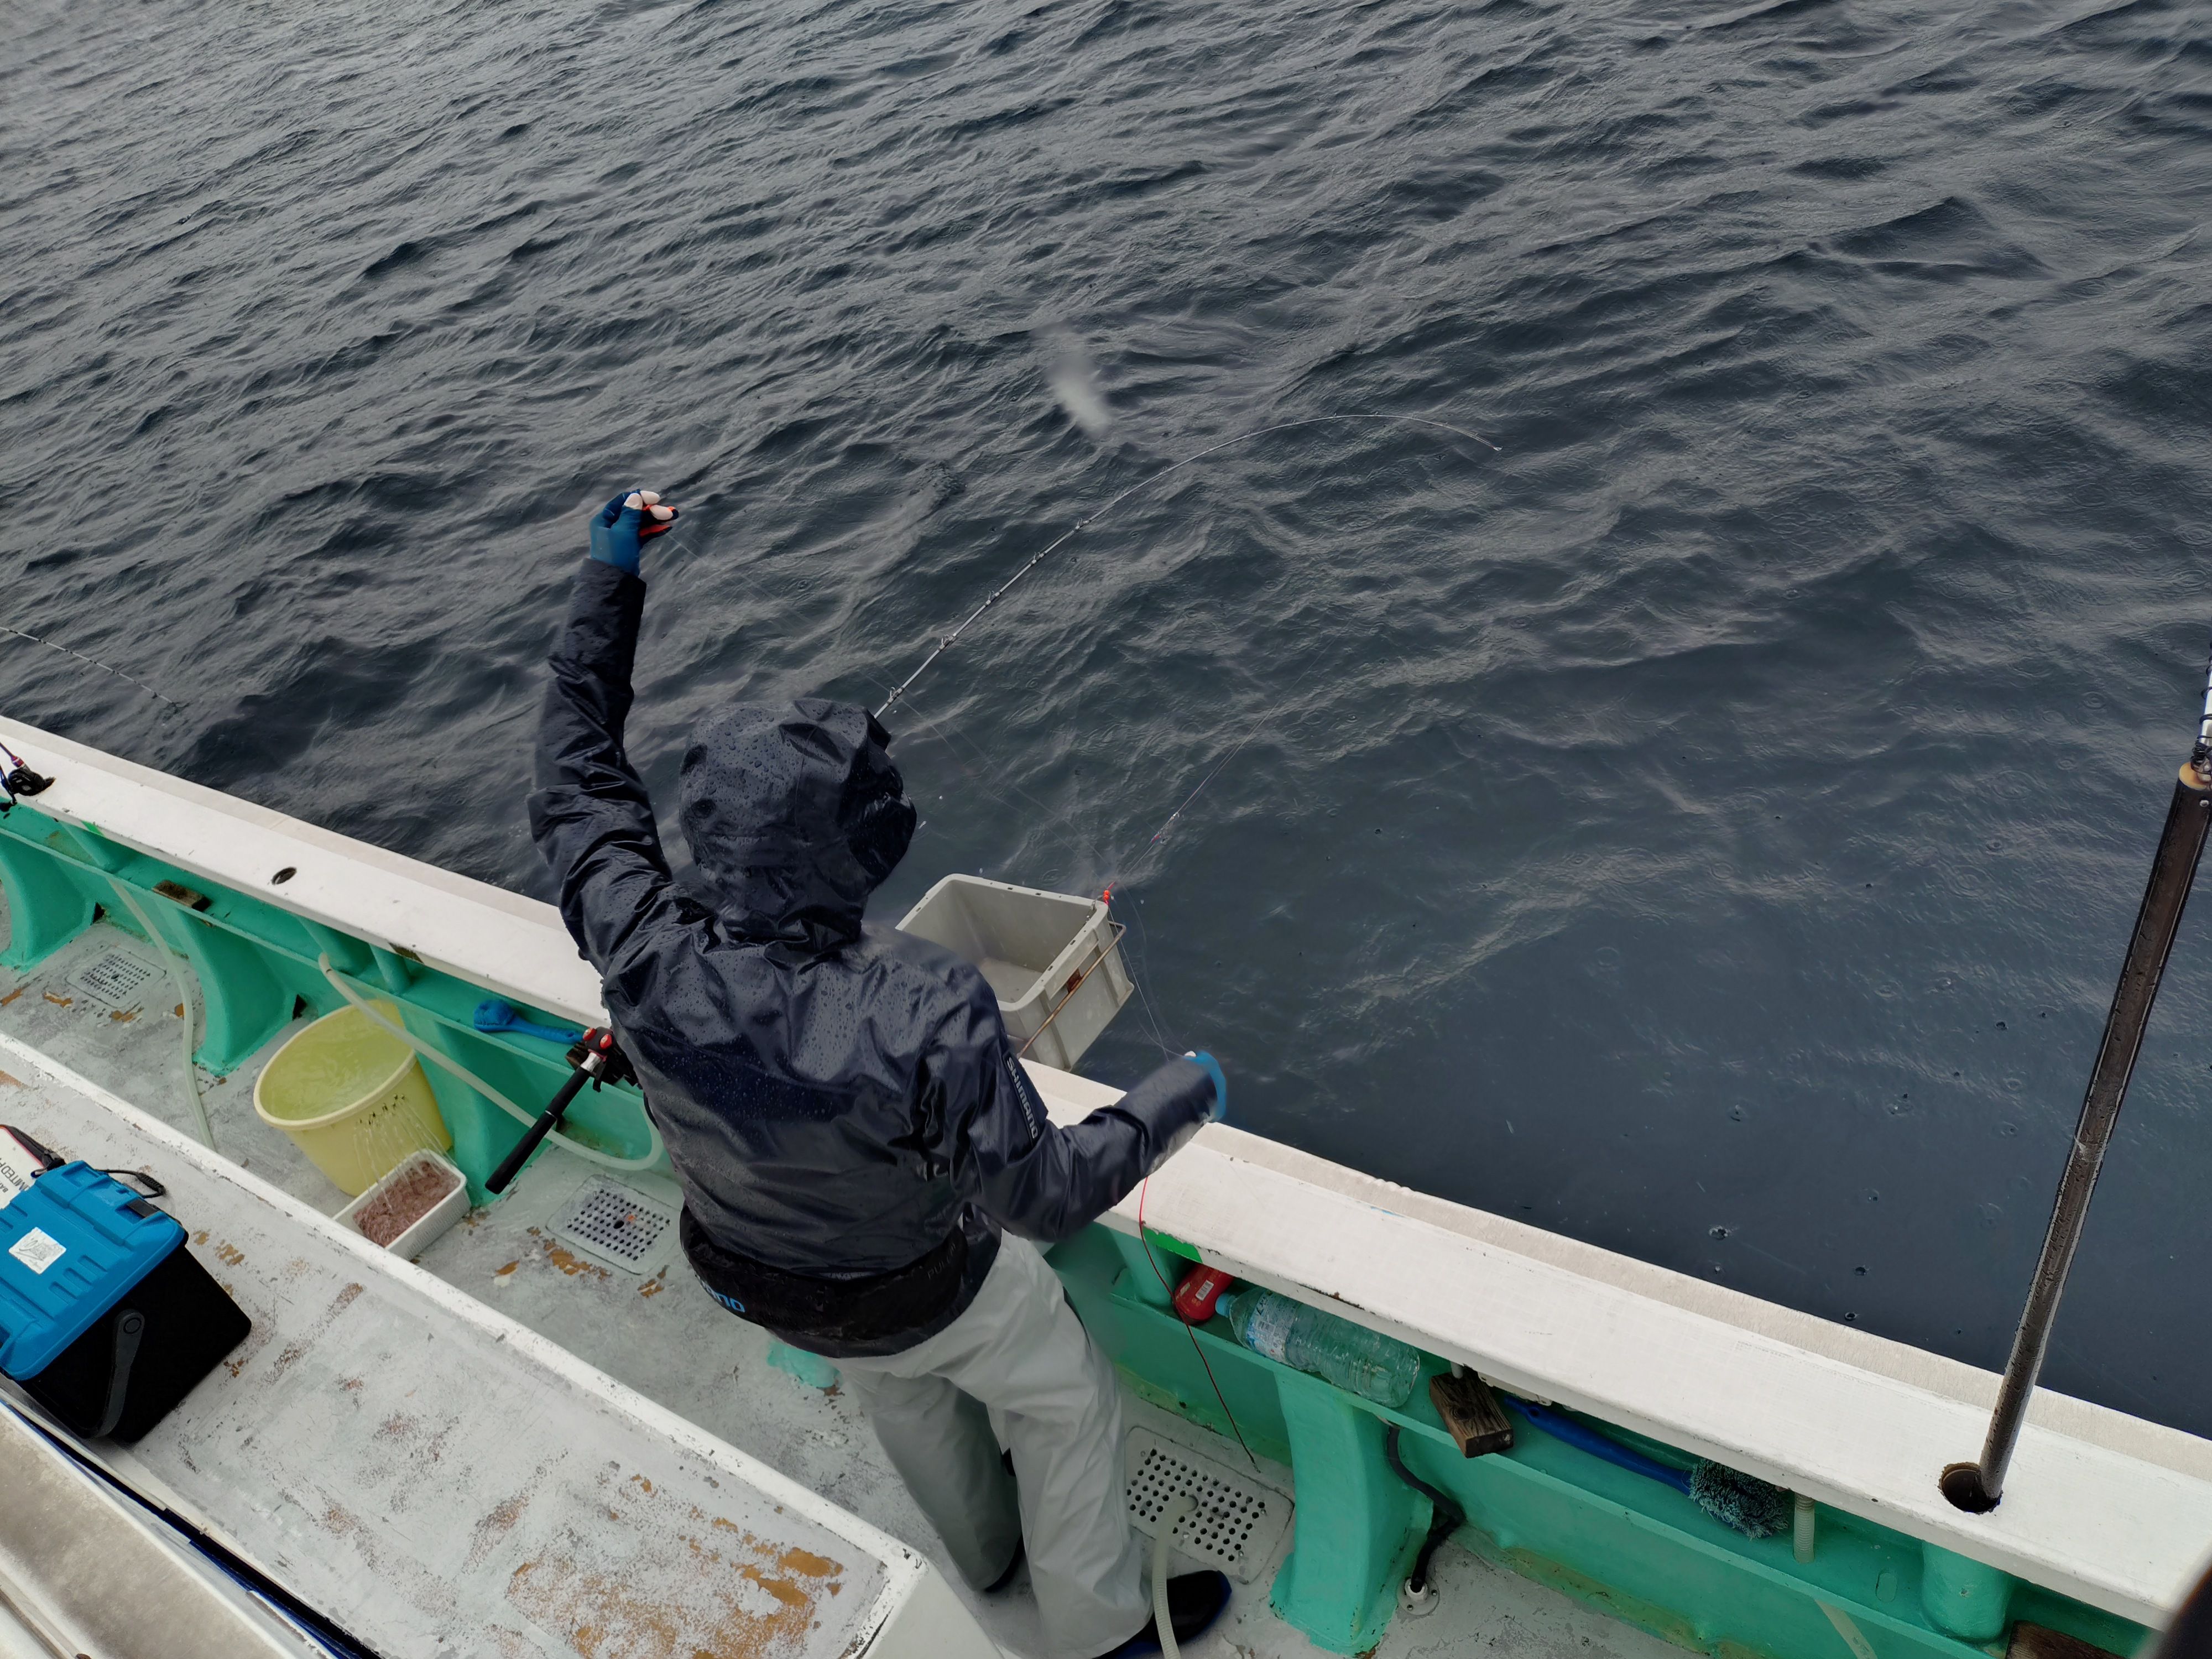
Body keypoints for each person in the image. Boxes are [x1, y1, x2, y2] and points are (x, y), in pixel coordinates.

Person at [530, 489, 1233, 1659]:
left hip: (752, 1274)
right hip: (915, 1281)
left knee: (899, 1391)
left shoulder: (635, 936)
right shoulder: (923, 1003)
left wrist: (609, 585)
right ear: (863, 847)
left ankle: (987, 1558)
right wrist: (1177, 1096)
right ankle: (1104, 1633)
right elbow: (1042, 1198)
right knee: (1062, 1399)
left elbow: (574, 778)